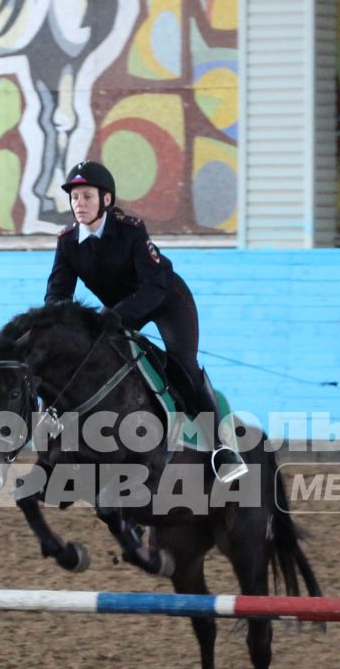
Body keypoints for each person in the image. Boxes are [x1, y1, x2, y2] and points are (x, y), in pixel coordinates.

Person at [43, 159, 245, 482]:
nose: (78, 204)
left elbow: (153, 286)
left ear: (106, 200)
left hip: (167, 300)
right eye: (74, 198)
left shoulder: (131, 230)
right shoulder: (67, 242)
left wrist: (117, 316)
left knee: (183, 366)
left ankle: (222, 449)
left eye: (87, 197)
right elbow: (56, 296)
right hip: (120, 310)